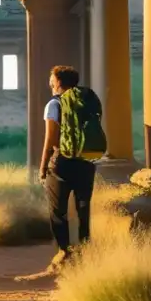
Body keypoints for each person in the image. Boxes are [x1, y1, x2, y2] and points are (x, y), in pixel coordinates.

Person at [38, 65, 106, 270]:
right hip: (86, 160)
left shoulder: (54, 104)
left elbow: (50, 138)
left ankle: (64, 252)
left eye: (51, 79)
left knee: (57, 211)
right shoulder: (88, 101)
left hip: (62, 161)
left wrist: (43, 166)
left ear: (58, 81)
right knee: (83, 207)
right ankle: (86, 250)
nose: (49, 82)